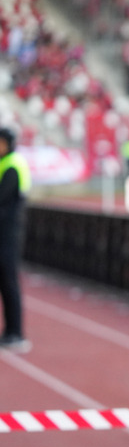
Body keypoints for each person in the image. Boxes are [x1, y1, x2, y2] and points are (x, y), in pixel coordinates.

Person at [0, 127, 31, 352]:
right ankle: (10, 331)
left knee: (9, 283)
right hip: (4, 234)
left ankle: (16, 333)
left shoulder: (13, 165)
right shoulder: (6, 163)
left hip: (8, 235)